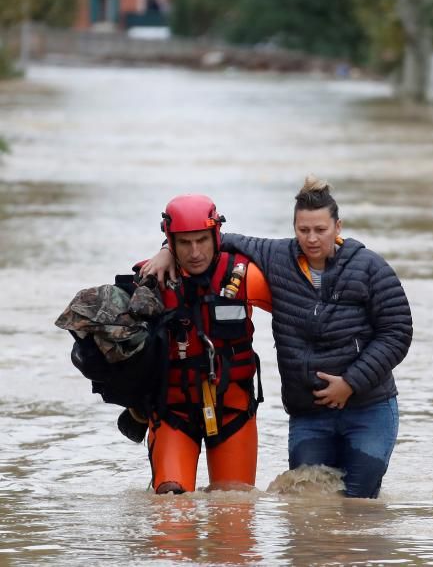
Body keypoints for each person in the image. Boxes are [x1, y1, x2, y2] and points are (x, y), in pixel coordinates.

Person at [141, 176, 413, 498]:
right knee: (306, 508)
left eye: (321, 230)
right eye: (303, 230)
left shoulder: (370, 267)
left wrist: (351, 382)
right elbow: (213, 240)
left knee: (357, 503)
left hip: (365, 405)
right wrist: (164, 251)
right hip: (305, 412)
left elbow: (397, 332)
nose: (311, 238)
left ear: (337, 227)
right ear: (294, 228)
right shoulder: (276, 257)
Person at [132, 193, 271, 494]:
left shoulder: (246, 276)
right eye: (184, 243)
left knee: (234, 516)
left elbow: (307, 313)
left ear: (216, 235)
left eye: (202, 240)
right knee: (171, 514)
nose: (195, 252)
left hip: (233, 412)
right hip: (173, 413)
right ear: (170, 241)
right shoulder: (149, 280)